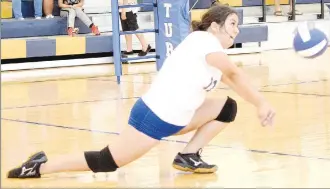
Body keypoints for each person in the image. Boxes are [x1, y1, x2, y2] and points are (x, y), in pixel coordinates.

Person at [7, 4, 275, 179]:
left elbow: (231, 79)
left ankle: (188, 155)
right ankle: (40, 165)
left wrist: (254, 98)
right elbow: (235, 74)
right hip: (154, 119)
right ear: (214, 26)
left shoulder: (210, 51)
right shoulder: (203, 41)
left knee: (227, 107)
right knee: (107, 161)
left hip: (178, 119)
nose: (236, 30)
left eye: (238, 25)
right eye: (231, 23)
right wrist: (261, 103)